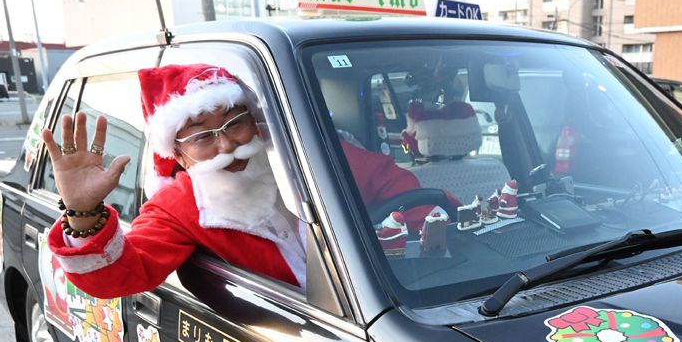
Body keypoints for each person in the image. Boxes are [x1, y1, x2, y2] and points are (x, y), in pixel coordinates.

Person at [43, 63, 433, 299]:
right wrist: (83, 211)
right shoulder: (179, 206)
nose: (227, 145)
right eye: (202, 137)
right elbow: (120, 275)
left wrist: (408, 240)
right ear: (178, 155)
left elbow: (405, 192)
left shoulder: (312, 160)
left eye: (235, 123)